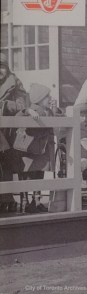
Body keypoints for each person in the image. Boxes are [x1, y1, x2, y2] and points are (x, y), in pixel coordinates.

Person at [14, 83, 62, 213]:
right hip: (29, 149)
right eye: (47, 96)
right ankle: (25, 201)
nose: (50, 98)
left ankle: (37, 200)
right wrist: (27, 110)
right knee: (26, 175)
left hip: (43, 149)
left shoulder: (49, 110)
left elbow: (57, 120)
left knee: (39, 174)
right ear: (39, 99)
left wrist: (56, 111)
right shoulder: (32, 109)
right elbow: (18, 116)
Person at [0, 53, 27, 213]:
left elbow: (22, 104)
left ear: (7, 68)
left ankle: (7, 199)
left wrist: (4, 105)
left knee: (6, 165)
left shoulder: (15, 83)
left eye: (2, 66)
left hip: (8, 132)